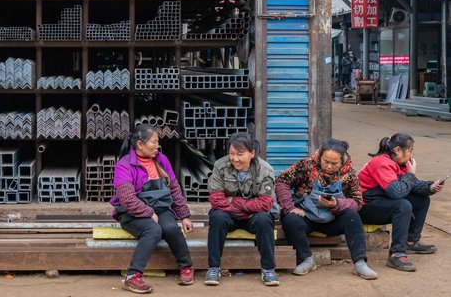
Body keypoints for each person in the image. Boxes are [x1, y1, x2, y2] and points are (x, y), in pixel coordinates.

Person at [276, 139, 378, 280]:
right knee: (290, 220)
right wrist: (290, 207)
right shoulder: (306, 166)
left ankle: (360, 263)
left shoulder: (350, 175)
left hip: (333, 219)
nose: (329, 166)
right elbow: (282, 181)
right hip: (307, 217)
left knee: (352, 216)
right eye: (326, 161)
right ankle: (307, 260)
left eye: (334, 163)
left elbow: (357, 202)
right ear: (320, 157)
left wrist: (336, 204)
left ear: (342, 161)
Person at [110, 124, 194, 294]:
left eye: (158, 142)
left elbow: (174, 189)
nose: (157, 146)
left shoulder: (162, 160)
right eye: (154, 142)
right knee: (153, 230)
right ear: (140, 145)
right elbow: (127, 200)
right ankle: (132, 276)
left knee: (171, 228)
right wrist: (148, 213)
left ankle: (186, 267)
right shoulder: (124, 165)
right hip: (131, 213)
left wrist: (184, 215)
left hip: (161, 208)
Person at [358, 133, 444, 272]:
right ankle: (396, 254)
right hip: (365, 207)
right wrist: (410, 174)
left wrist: (430, 187)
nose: (411, 154)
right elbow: (396, 192)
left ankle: (411, 241)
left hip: (381, 202)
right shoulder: (381, 163)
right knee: (403, 205)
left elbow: (413, 185)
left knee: (421, 199)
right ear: (398, 150)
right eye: (410, 150)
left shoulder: (398, 164)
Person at [204, 132, 280, 287]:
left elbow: (265, 204)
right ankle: (213, 268)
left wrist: (235, 201)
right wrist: (247, 206)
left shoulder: (265, 169)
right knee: (217, 217)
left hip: (253, 218)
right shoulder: (221, 166)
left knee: (264, 219)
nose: (235, 159)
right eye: (232, 154)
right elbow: (215, 200)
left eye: (240, 154)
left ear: (252, 153)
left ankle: (268, 269)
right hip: (229, 217)